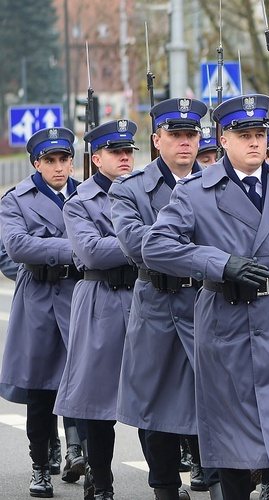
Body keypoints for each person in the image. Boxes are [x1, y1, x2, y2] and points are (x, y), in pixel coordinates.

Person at [141, 93, 269, 500]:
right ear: (223, 139)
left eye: (260, 134)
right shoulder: (197, 190)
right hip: (226, 330)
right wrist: (220, 263)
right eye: (243, 134)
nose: (254, 142)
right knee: (232, 453)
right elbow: (156, 246)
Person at [109, 98, 208, 500]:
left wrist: (175, 246)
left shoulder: (218, 182)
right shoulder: (129, 189)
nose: (185, 143)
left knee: (215, 396)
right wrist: (201, 253)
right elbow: (137, 246)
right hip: (157, 304)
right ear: (157, 140)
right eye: (176, 135)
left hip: (207, 303)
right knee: (154, 402)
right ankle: (165, 484)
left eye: (191, 134)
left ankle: (217, 475)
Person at [54, 120, 139, 500]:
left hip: (141, 295)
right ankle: (101, 482)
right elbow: (90, 251)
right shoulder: (79, 202)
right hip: (100, 298)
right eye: (116, 152)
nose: (125, 158)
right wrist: (144, 242)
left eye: (129, 152)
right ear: (97, 157)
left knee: (155, 394)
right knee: (97, 402)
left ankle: (167, 479)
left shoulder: (144, 191)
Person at [0, 127, 84, 498]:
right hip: (39, 296)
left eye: (64, 159)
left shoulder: (88, 192)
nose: (59, 167)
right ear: (36, 163)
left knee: (83, 382)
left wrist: (47, 247)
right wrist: (79, 247)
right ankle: (39, 465)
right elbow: (17, 246)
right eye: (50, 160)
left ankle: (78, 453)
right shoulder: (17, 198)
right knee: (39, 387)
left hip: (81, 295)